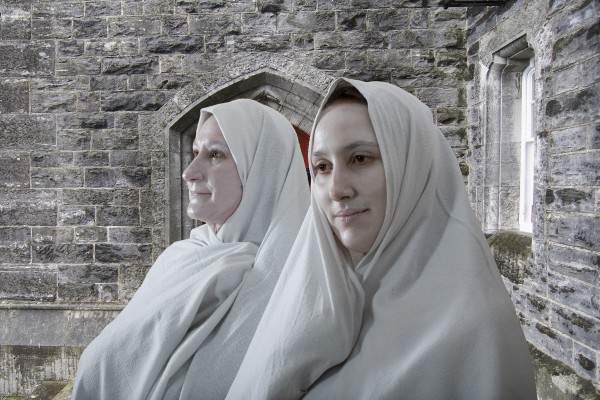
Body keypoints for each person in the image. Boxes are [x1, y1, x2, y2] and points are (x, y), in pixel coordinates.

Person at [226, 78, 538, 399]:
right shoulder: (317, 295)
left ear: (413, 166)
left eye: (360, 158)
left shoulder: (474, 333)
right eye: (322, 166)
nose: (336, 189)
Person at [72, 98, 310, 400]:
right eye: (196, 152)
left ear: (262, 170)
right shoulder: (179, 257)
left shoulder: (294, 280)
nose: (189, 172)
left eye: (215, 154)